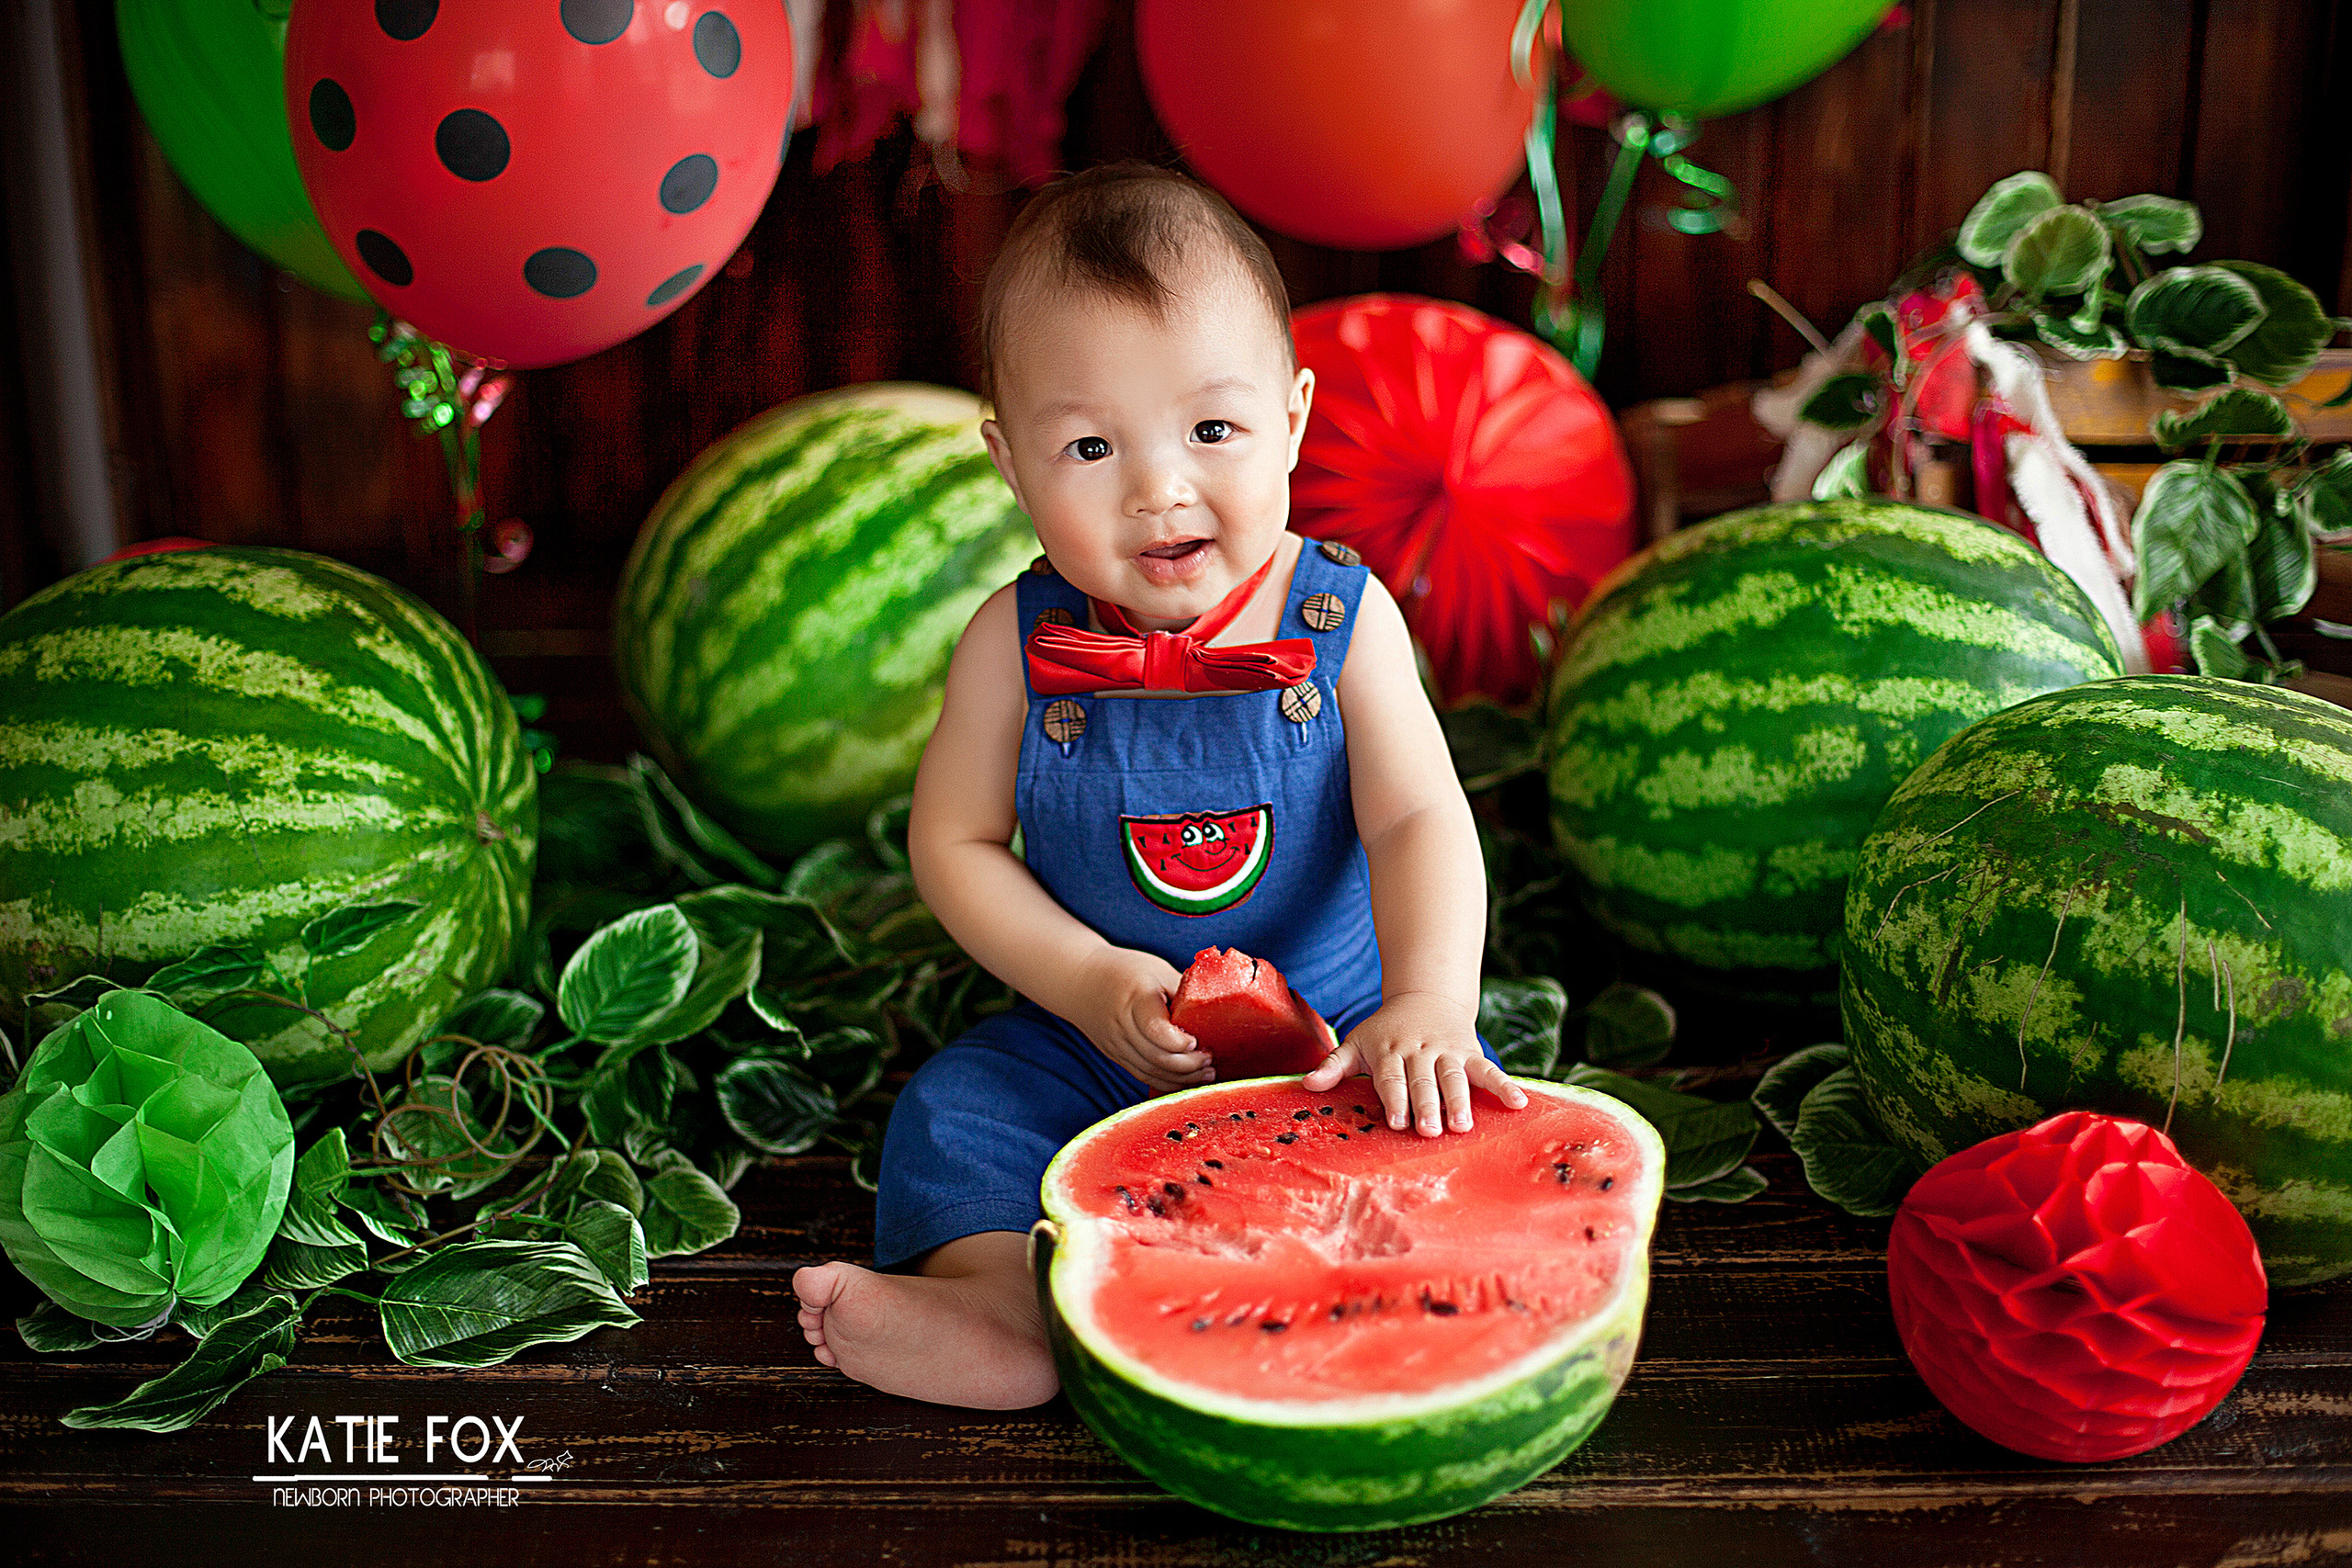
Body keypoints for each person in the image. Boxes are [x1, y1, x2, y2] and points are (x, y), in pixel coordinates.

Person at [792, 163, 1524, 1409]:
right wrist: (1086, 982)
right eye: (1089, 445)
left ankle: (1367, 1306)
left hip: (1344, 1038)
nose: (1158, 489)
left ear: (1293, 419)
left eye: (1213, 430)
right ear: (1009, 465)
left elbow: (1415, 818)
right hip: (1100, 1042)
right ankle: (1002, 1306)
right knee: (961, 1110)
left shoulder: (1345, 620)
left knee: (1453, 1131)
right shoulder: (1010, 650)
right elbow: (954, 843)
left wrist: (1428, 1002)